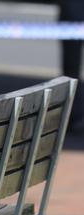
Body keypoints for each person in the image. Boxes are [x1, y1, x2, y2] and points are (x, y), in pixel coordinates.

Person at [58, 0, 84, 132]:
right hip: (72, 12)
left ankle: (71, 116)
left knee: (71, 70)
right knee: (71, 70)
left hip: (72, 12)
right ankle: (72, 116)